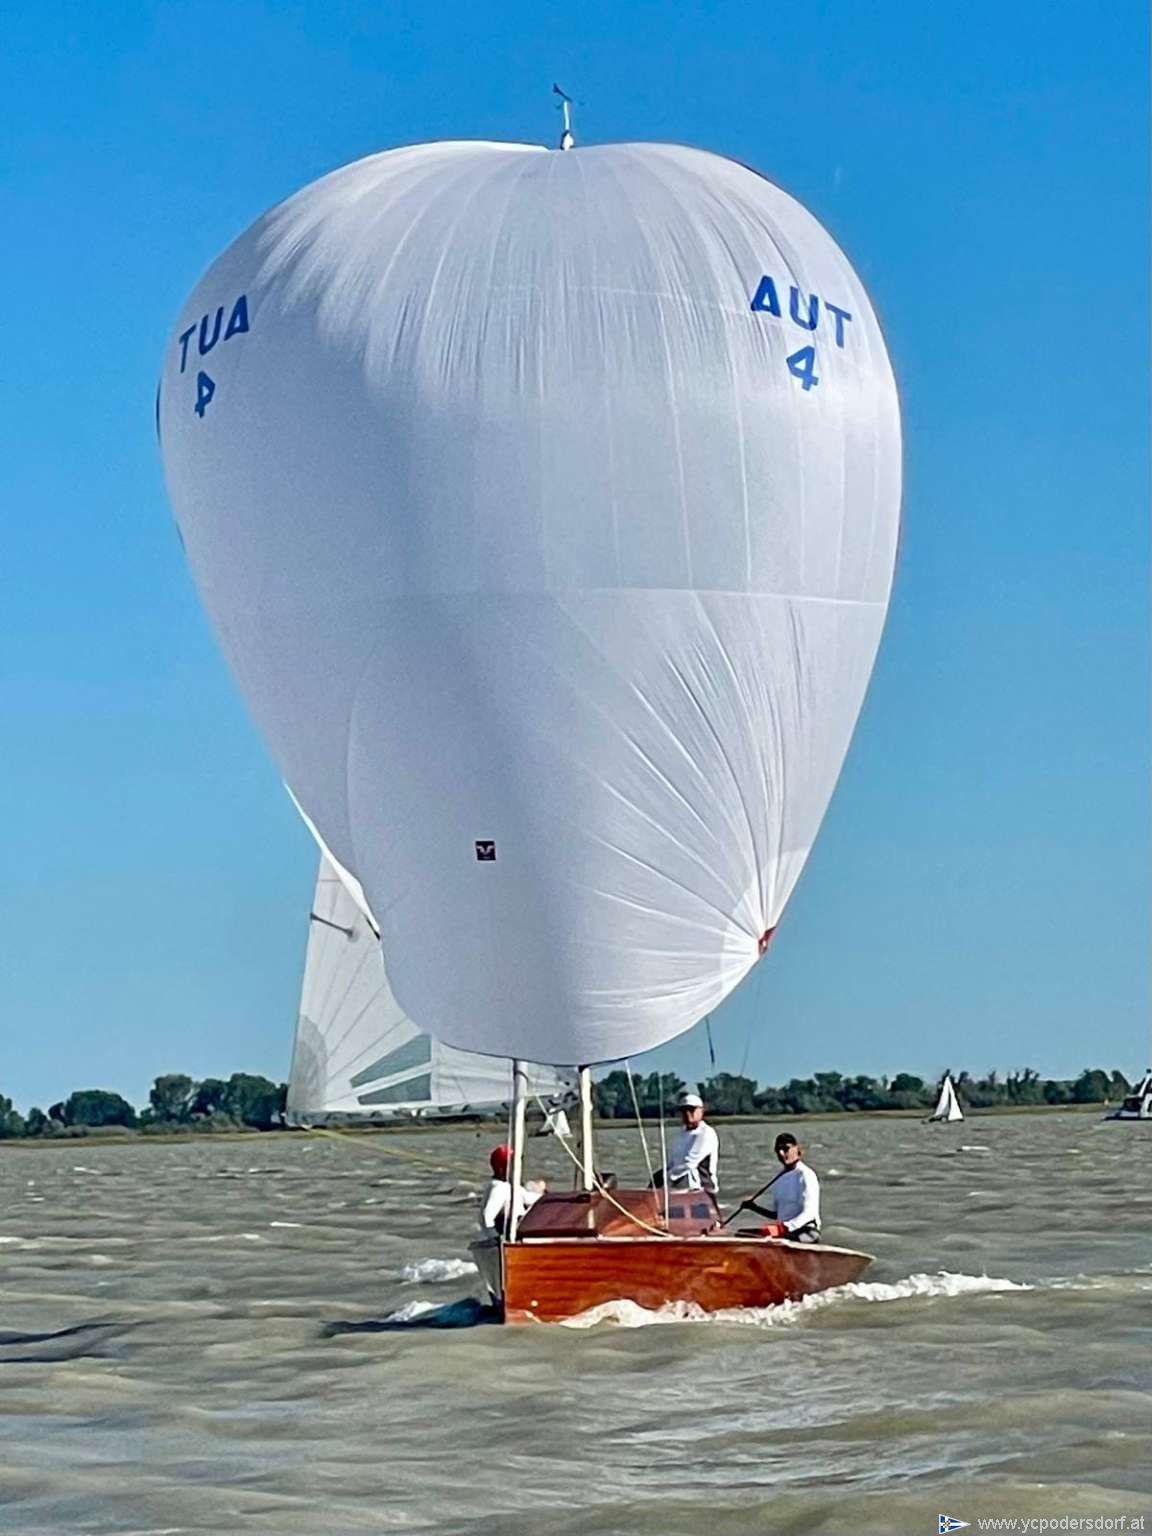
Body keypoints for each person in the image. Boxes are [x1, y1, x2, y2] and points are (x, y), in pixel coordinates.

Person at [746, 1132, 821, 1242]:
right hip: (785, 1232)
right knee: (744, 1234)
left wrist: (784, 1228)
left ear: (796, 1149)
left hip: (806, 1231)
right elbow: (777, 1214)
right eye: (778, 1150)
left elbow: (809, 1213)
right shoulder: (779, 1178)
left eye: (786, 1149)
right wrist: (754, 1207)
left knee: (781, 1240)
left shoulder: (806, 1175)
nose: (781, 1153)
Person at [653, 1091, 719, 1193]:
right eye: (684, 1111)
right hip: (679, 1184)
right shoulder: (681, 1133)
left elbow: (689, 1163)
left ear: (701, 1111)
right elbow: (673, 1162)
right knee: (656, 1178)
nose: (687, 1114)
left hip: (702, 1189)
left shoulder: (706, 1133)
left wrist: (666, 1178)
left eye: (691, 1110)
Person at [478, 1144, 545, 1238]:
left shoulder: (510, 1186)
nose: (518, 1166)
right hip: (504, 1238)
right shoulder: (499, 1188)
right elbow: (487, 1217)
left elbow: (528, 1198)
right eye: (513, 1163)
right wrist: (495, 1238)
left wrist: (548, 1197)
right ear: (502, 1168)